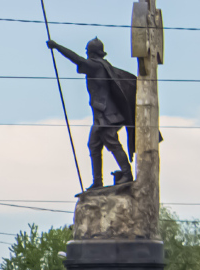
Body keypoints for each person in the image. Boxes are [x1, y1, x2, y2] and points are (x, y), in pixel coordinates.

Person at [47, 37, 136, 189]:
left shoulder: (97, 66)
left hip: (107, 115)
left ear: (92, 53)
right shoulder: (103, 66)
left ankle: (127, 174)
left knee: (112, 142)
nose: (87, 54)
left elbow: (76, 59)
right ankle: (97, 181)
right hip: (101, 115)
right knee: (94, 145)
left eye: (88, 52)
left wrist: (57, 46)